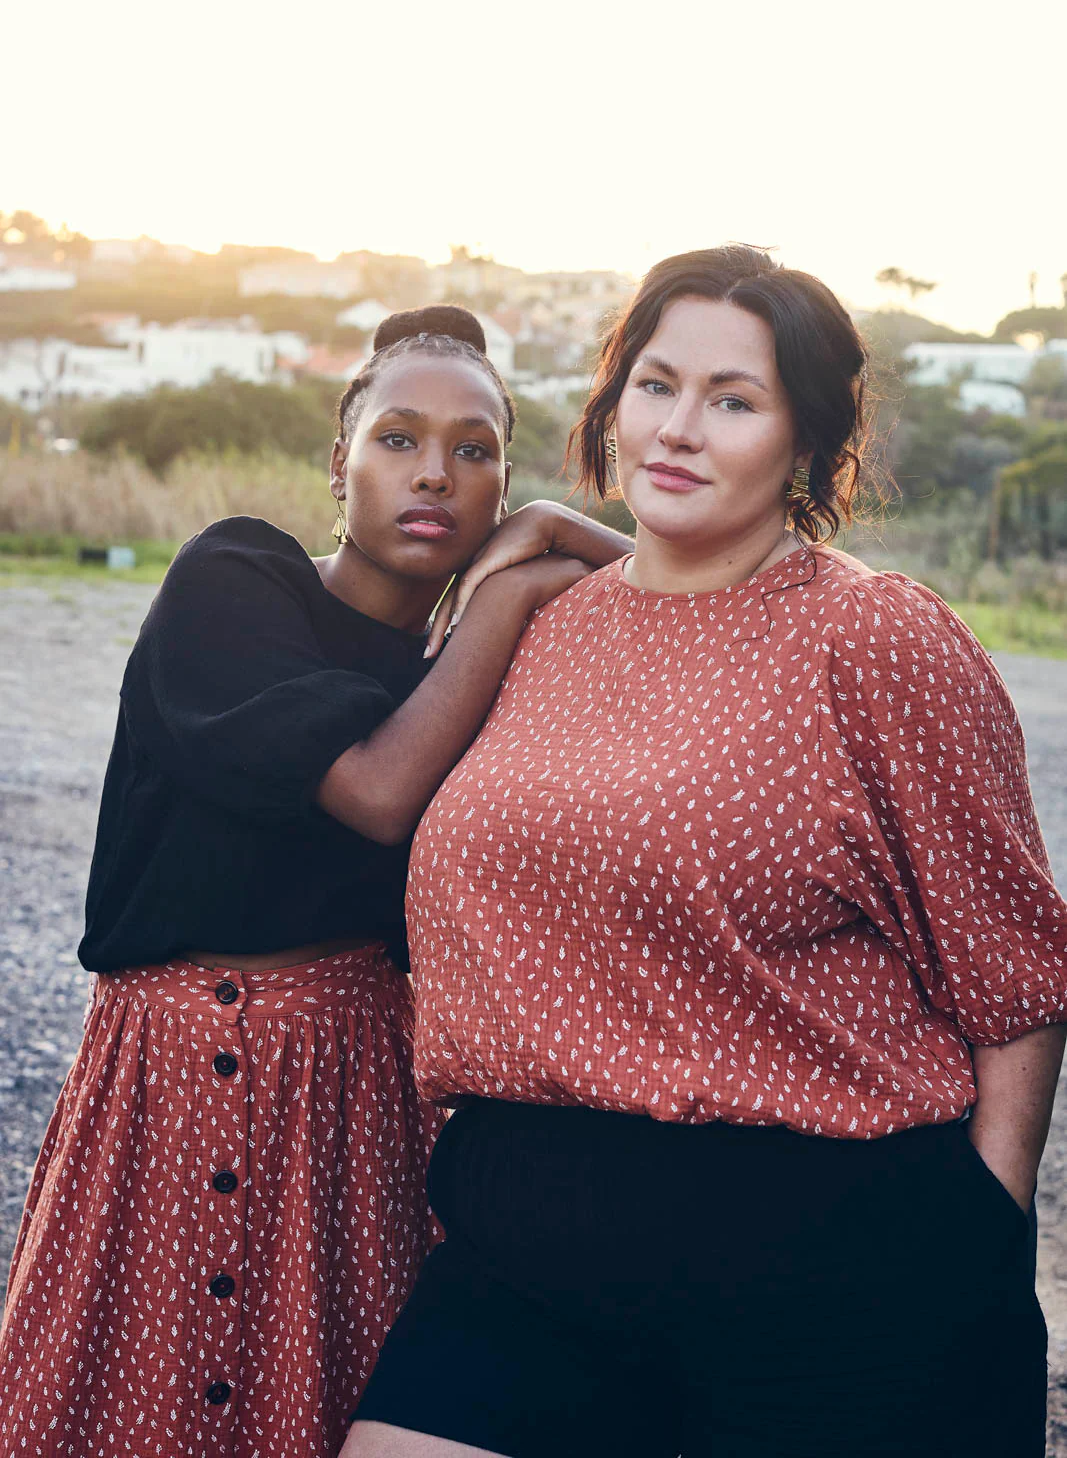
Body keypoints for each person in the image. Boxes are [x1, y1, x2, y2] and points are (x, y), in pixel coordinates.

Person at [345, 250, 1067, 1458]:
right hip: (528, 1253)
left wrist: (977, 1245)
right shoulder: (538, 622)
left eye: (733, 400)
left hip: (830, 1275)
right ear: (609, 401)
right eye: (653, 384)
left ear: (806, 441)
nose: (677, 430)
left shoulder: (876, 638)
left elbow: (1014, 981)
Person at [0, 305, 631, 1458]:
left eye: (475, 450)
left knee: (333, 1399)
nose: (433, 471)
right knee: (124, 1409)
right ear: (336, 462)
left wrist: (555, 529)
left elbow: (679, 607)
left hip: (363, 1088)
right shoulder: (235, 579)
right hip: (175, 1078)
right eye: (397, 437)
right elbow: (375, 788)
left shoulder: (484, 664)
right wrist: (510, 585)